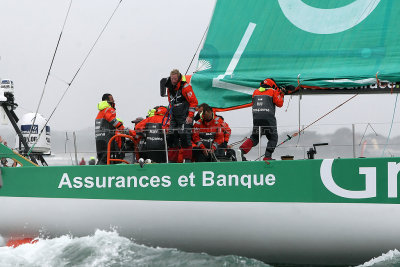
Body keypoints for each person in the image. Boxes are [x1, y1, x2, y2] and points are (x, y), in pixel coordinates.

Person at [239, 78, 284, 161]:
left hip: (256, 118)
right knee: (273, 137)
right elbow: (280, 103)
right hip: (268, 119)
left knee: (255, 137)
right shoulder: (272, 91)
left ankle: (241, 151)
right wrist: (281, 93)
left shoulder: (255, 92)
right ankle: (267, 156)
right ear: (272, 85)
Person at [165, 69, 198, 163]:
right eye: (172, 78)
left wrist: (190, 116)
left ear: (178, 78)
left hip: (185, 116)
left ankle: (187, 160)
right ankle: (172, 161)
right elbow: (170, 102)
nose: (173, 80)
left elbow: (194, 102)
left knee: (185, 137)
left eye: (175, 78)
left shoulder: (185, 87)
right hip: (174, 116)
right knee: (171, 137)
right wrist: (170, 117)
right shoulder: (169, 88)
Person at [95, 93, 136, 165]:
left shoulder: (100, 112)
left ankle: (98, 173)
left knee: (101, 158)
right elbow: (113, 121)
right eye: (112, 99)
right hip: (107, 138)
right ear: (107, 101)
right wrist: (125, 130)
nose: (114, 100)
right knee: (106, 158)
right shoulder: (109, 109)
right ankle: (105, 174)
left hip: (99, 138)